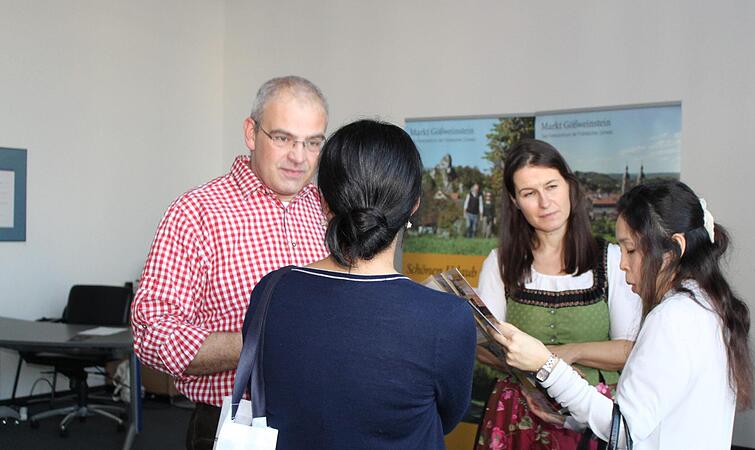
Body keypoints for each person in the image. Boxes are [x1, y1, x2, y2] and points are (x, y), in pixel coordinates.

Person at [242, 119, 476, 450]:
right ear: (413, 205)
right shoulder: (447, 318)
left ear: (323, 202)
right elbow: (448, 417)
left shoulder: (271, 290)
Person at [130, 76, 330, 450]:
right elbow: (152, 334)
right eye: (283, 138)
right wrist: (257, 342)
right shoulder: (196, 213)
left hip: (321, 423)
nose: (299, 157)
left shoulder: (328, 211)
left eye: (313, 143)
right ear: (251, 133)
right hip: (233, 427)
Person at [496, 180, 754, 449]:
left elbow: (626, 431)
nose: (622, 264)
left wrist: (546, 365)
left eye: (630, 250)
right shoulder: (706, 305)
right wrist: (570, 420)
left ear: (672, 250)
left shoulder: (674, 317)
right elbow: (647, 418)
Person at [474, 139, 641, 450]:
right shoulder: (500, 263)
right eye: (529, 193)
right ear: (514, 201)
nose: (544, 202)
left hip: (592, 414)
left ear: (569, 186)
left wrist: (564, 354)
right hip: (518, 415)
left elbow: (630, 350)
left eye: (551, 186)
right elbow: (484, 346)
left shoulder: (613, 260)